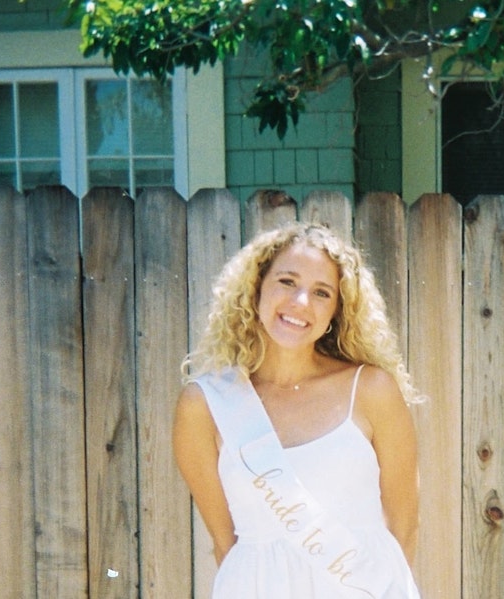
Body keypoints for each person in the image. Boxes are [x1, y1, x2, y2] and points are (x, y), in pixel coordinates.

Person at [173, 222, 421, 598]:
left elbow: (404, 527)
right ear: (256, 288)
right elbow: (226, 543)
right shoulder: (205, 405)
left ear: (336, 312)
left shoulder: (371, 390)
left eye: (322, 292)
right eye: (287, 281)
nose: (300, 302)